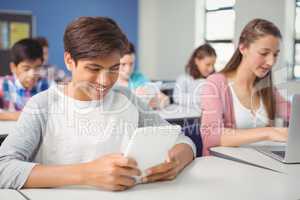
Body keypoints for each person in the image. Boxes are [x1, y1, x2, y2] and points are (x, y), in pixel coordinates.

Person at [0, 16, 195, 190]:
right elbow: (3, 167)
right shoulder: (42, 105)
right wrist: (86, 174)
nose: (105, 81)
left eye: (114, 68)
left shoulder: (127, 98)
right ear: (69, 60)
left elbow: (183, 141)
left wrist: (176, 162)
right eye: (94, 68)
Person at [200, 18, 291, 156]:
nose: (271, 62)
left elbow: (293, 113)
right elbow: (211, 136)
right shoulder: (215, 83)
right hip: (226, 166)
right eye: (264, 53)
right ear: (243, 48)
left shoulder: (268, 89)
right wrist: (269, 132)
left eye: (275, 54)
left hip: (263, 165)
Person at [0, 38, 49, 121]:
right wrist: (20, 116)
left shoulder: (46, 85)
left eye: (37, 68)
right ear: (13, 67)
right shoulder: (3, 84)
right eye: (26, 69)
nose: (32, 74)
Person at [117, 42, 170, 109]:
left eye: (131, 64)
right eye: (123, 64)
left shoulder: (139, 78)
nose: (128, 69)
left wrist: (157, 102)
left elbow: (165, 99)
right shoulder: (108, 81)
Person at [173, 44, 216, 108]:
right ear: (196, 61)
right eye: (208, 64)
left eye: (213, 64)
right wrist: (203, 98)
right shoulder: (184, 78)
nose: (211, 69)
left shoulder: (215, 79)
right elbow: (177, 98)